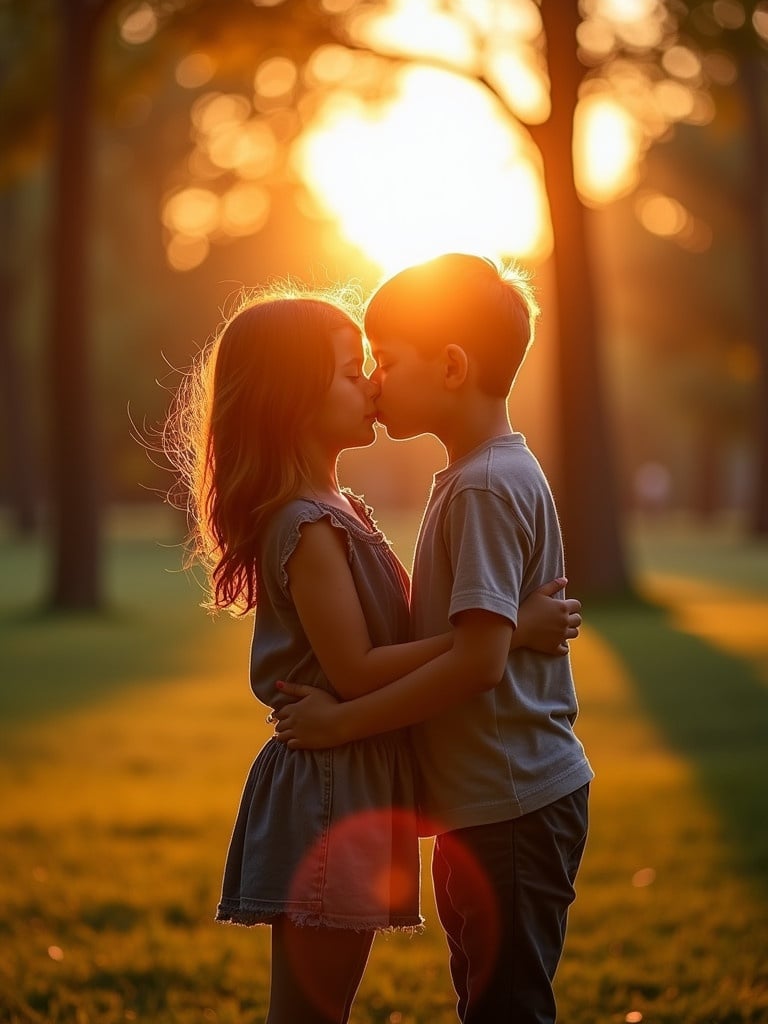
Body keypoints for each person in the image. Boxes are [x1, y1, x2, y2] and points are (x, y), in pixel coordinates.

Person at [164, 285, 582, 1024]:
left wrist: (503, 630)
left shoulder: (351, 507)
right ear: (291, 398)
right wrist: (511, 628)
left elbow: (416, 644)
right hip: (329, 785)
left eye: (376, 362)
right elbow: (360, 668)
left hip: (362, 781)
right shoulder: (311, 525)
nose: (372, 382)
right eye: (353, 368)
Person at [274, 255, 594, 1024]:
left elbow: (477, 660)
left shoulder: (483, 486)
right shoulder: (477, 476)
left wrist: (341, 722)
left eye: (386, 361)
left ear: (452, 366)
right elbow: (477, 636)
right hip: (488, 801)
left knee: (506, 1005)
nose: (376, 383)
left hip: (511, 802)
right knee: (486, 996)